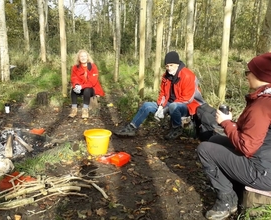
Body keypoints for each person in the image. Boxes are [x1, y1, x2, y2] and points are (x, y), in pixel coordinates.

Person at [196, 52, 271, 220]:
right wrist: (234, 123)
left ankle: (227, 202)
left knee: (205, 149)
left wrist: (226, 123)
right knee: (215, 139)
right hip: (264, 159)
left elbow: (247, 146)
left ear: (260, 75)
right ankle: (235, 188)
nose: (246, 76)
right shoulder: (264, 98)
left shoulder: (263, 105)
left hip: (263, 172)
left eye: (248, 72)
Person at [114, 51, 205, 140]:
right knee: (147, 106)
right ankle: (131, 128)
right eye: (167, 66)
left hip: (188, 106)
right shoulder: (166, 76)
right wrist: (161, 106)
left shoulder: (188, 76)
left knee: (173, 106)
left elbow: (187, 98)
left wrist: (166, 109)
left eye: (171, 65)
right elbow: (163, 94)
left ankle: (177, 128)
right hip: (169, 103)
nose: (169, 68)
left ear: (177, 64)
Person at [69, 50, 105, 119]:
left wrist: (81, 86)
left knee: (87, 90)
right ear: (78, 58)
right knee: (73, 90)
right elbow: (74, 78)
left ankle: (85, 109)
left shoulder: (93, 66)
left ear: (87, 57)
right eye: (81, 56)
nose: (83, 58)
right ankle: (74, 109)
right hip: (81, 87)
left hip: (92, 88)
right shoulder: (75, 67)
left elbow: (92, 82)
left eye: (84, 56)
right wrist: (76, 85)